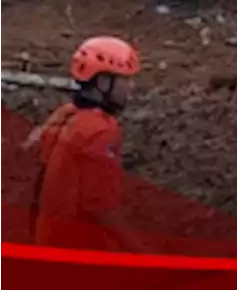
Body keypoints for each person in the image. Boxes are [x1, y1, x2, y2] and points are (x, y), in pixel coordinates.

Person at [26, 36, 149, 253]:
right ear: (103, 82)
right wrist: (143, 252)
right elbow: (101, 208)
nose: (131, 87)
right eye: (124, 80)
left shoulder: (66, 115)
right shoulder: (100, 131)